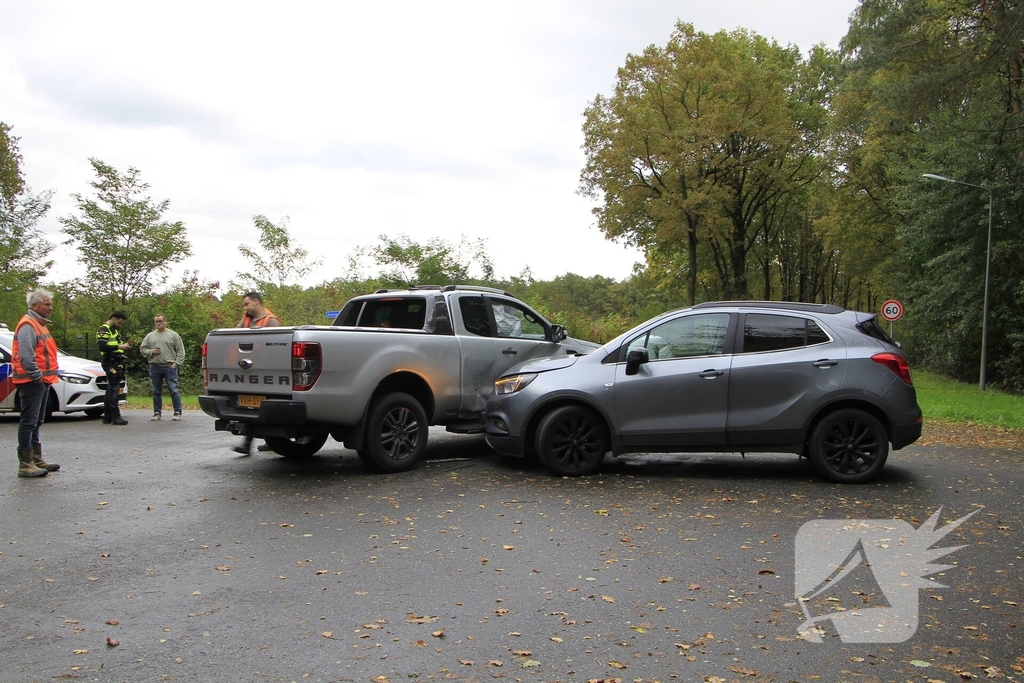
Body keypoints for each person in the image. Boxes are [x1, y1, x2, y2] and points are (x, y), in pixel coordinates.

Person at [11, 288, 61, 477]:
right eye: (47, 304)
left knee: (37, 421)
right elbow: (26, 355)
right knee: (29, 421)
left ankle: (35, 458)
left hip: (41, 380)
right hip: (31, 380)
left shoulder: (39, 324)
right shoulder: (28, 325)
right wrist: (36, 375)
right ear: (35, 305)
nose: (51, 308)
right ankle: (25, 465)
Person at [233, 292, 280, 455]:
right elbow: (235, 335)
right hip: (249, 368)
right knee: (251, 405)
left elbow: (276, 347)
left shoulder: (271, 321)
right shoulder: (246, 320)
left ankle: (259, 442)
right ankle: (251, 443)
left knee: (263, 405)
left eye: (247, 304)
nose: (245, 308)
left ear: (256, 302)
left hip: (266, 370)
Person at [139, 314, 185, 421]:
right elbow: (142, 349)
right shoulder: (150, 336)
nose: (158, 323)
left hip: (169, 366)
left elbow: (180, 350)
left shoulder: (173, 335)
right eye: (156, 321)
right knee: (156, 391)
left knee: (174, 390)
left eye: (160, 321)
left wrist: (177, 363)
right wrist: (151, 352)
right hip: (155, 366)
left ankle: (177, 412)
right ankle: (157, 413)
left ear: (165, 321)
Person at [97, 311, 131, 425]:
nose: (120, 325)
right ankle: (115, 416)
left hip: (115, 360)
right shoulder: (104, 329)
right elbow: (102, 346)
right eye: (119, 322)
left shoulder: (114, 330)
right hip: (109, 361)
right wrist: (120, 346)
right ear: (113, 318)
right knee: (114, 388)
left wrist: (122, 347)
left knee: (110, 388)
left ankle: (107, 416)